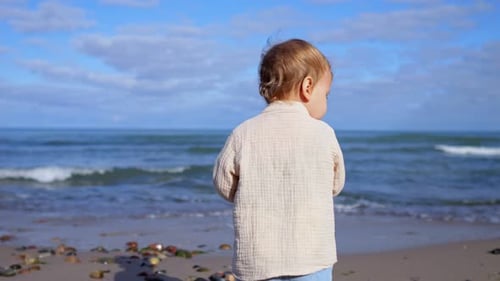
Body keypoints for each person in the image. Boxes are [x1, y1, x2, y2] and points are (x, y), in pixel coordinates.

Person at [213, 38, 345, 281]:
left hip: (258, 261)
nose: (326, 101)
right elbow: (335, 185)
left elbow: (223, 184)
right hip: (312, 258)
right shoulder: (324, 133)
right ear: (307, 87)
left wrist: (250, 192)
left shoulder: (243, 132)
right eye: (326, 95)